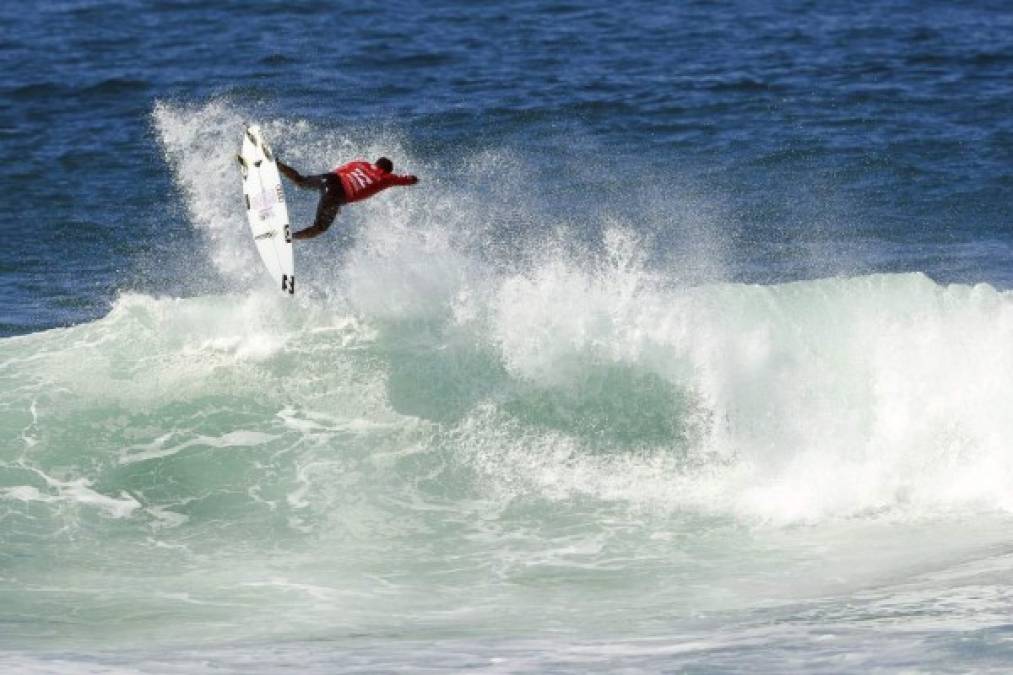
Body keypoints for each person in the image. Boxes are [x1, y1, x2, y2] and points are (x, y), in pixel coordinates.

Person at [276, 157, 419, 240]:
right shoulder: (387, 177)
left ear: (375, 163)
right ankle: (290, 238)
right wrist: (415, 179)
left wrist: (334, 203)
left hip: (330, 179)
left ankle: (277, 164)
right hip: (336, 194)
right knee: (319, 228)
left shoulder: (361, 164)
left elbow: (339, 172)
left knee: (301, 181)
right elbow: (408, 180)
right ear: (387, 170)